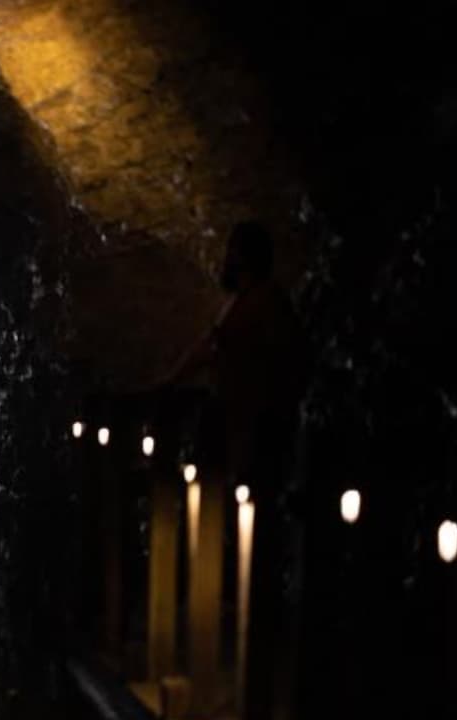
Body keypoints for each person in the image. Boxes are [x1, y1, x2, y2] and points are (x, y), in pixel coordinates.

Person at [164, 220, 306, 720]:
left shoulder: (265, 304)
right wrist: (171, 382)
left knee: (253, 523)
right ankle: (231, 621)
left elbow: (266, 364)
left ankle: (250, 640)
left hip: (255, 426)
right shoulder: (246, 302)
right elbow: (211, 350)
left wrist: (171, 383)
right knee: (233, 520)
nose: (231, 257)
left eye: (237, 250)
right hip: (238, 424)